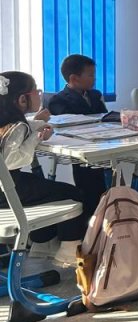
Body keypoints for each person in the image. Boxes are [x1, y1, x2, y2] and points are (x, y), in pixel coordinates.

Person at [0, 71, 101, 266]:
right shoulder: (17, 126)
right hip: (9, 189)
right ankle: (68, 250)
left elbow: (24, 129)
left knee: (47, 187)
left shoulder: (7, 123)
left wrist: (39, 124)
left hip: (5, 188)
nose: (40, 94)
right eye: (36, 91)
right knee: (71, 193)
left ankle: (42, 244)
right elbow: (14, 161)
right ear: (22, 99)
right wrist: (36, 138)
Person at [46, 54, 110, 209]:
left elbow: (104, 117)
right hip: (80, 148)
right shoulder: (58, 100)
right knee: (88, 183)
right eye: (90, 75)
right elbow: (68, 124)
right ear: (74, 78)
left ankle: (112, 206)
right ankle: (91, 211)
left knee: (109, 176)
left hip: (100, 141)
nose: (94, 79)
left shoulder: (95, 95)